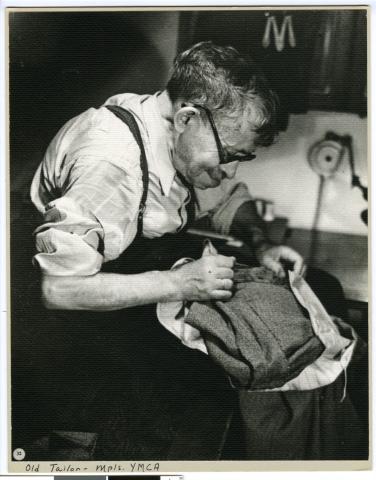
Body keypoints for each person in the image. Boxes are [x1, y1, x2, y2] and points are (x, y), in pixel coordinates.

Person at [22, 42, 362, 460]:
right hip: (74, 310)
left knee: (321, 289)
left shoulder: (187, 132)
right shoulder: (111, 163)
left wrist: (263, 243)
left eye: (244, 157)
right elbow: (59, 290)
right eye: (230, 156)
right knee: (207, 384)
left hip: (151, 268)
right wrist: (177, 284)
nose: (232, 168)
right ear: (186, 118)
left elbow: (231, 199)